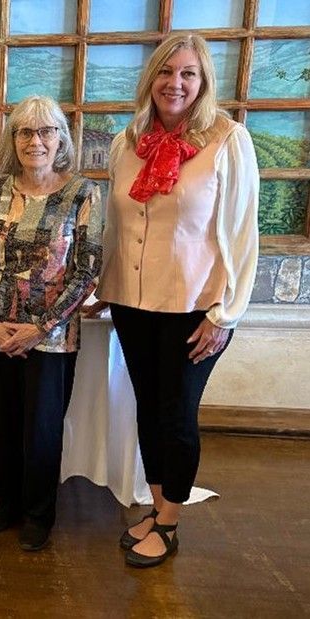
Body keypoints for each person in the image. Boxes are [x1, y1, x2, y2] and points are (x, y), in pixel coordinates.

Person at [94, 34, 259, 568]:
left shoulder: (228, 142)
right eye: (166, 73)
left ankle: (170, 522)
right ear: (151, 81)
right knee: (148, 406)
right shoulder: (128, 141)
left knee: (178, 412)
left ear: (203, 80)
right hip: (133, 300)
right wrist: (102, 287)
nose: (176, 83)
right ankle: (158, 503)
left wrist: (226, 314)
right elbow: (116, 226)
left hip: (195, 307)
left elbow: (241, 233)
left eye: (188, 73)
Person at [0, 95, 103, 551]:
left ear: (61, 138)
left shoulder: (82, 193)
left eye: (46, 131)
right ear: (13, 139)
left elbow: (87, 270)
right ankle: (8, 503)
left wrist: (40, 327)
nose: (35, 141)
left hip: (52, 336)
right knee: (2, 421)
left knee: (42, 427)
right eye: (25, 132)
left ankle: (40, 513)